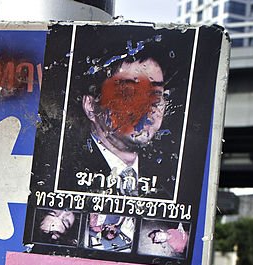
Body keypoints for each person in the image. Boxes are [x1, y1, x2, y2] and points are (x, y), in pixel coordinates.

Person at [59, 37, 176, 200]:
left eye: (156, 94)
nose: (149, 106)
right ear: (91, 106)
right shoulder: (62, 173)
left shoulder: (171, 180)